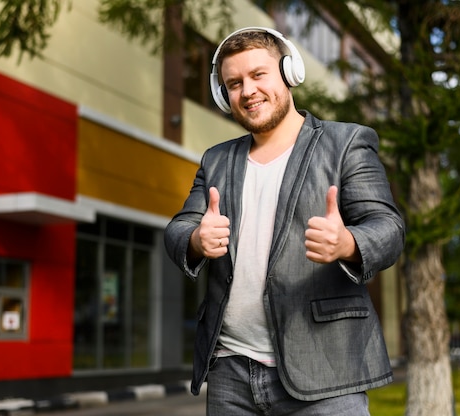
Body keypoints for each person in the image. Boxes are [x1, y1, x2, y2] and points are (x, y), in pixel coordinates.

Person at [164, 26, 405, 416]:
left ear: (289, 73)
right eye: (234, 83)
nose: (247, 91)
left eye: (259, 75)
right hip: (231, 371)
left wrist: (347, 244)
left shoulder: (346, 143)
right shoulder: (216, 160)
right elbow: (178, 228)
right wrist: (196, 238)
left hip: (326, 370)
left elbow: (388, 227)